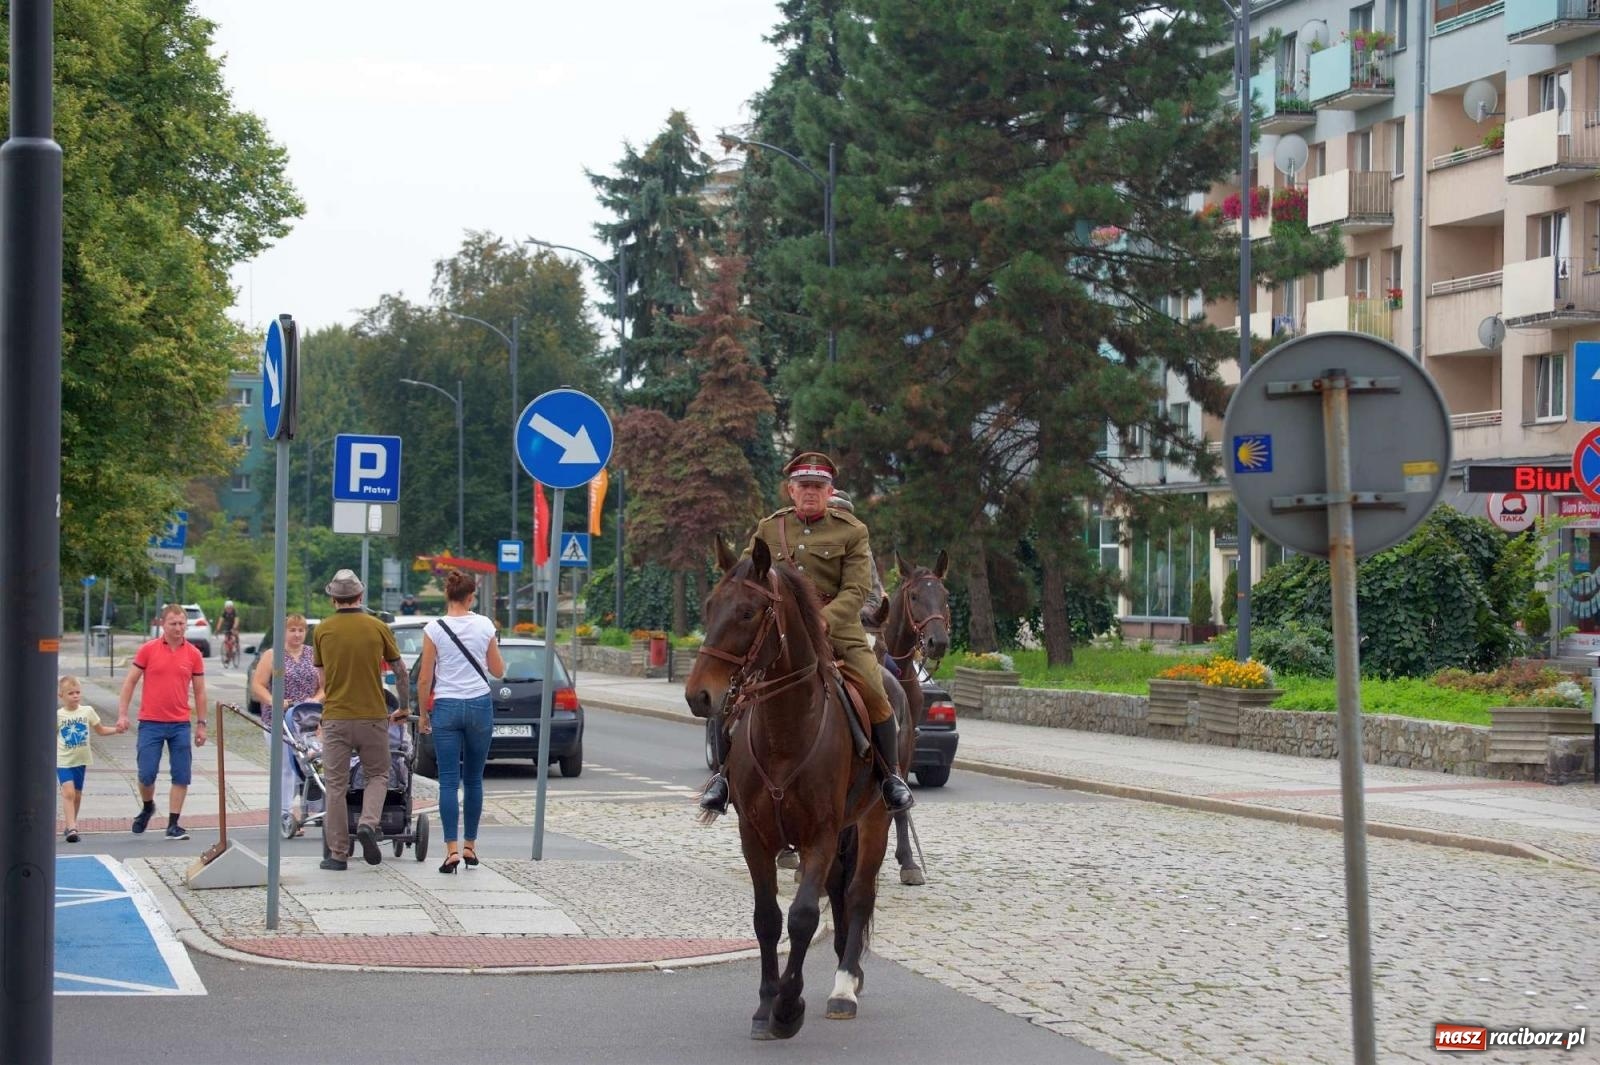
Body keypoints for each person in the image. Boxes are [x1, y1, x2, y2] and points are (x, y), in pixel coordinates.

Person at [700, 451, 914, 816]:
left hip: (838, 631)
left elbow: (857, 589)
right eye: (804, 486)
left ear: (830, 491)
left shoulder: (851, 531)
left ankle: (890, 776)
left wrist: (826, 619)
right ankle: (722, 777)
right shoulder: (770, 528)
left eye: (819, 486)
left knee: (877, 691)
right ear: (791, 490)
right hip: (780, 632)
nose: (811, 492)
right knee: (731, 694)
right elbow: (748, 574)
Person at [312, 569, 409, 870]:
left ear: (333, 599)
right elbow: (402, 671)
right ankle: (368, 822)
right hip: (373, 716)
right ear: (360, 596)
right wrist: (403, 707)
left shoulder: (322, 630)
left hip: (337, 718)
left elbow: (323, 681)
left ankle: (339, 854)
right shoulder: (377, 627)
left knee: (336, 785)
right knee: (379, 774)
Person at [415, 570, 505, 874]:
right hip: (479, 705)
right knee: (474, 779)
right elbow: (497, 669)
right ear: (470, 597)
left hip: (447, 706)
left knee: (449, 781)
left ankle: (451, 850)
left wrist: (423, 714)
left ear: (447, 596)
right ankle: (471, 846)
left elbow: (425, 677)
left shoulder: (434, 628)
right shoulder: (484, 625)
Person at [116, 603, 208, 840]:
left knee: (181, 775)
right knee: (146, 774)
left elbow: (199, 692)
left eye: (181, 624)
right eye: (173, 624)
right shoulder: (148, 650)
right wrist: (123, 714)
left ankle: (173, 823)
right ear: (162, 624)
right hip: (151, 722)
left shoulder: (194, 654)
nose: (178, 628)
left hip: (180, 724)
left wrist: (201, 724)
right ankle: (148, 807)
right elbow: (130, 682)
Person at [249, 613, 325, 834]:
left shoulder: (313, 655)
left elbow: (325, 686)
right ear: (283, 632)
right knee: (286, 769)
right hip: (279, 722)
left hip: (307, 722)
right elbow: (258, 685)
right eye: (292, 630)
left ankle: (311, 809)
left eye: (301, 630)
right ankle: (283, 814)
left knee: (311, 767)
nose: (297, 634)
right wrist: (274, 700)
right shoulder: (273, 656)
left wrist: (316, 699)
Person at [57, 675, 122, 843]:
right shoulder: (58, 715)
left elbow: (100, 730)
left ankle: (71, 824)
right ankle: (72, 828)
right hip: (63, 760)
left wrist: (117, 730)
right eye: (71, 693)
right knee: (68, 792)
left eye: (78, 692)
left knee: (77, 795)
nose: (75, 696)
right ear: (61, 695)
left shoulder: (87, 711)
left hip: (81, 760)